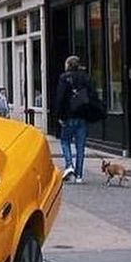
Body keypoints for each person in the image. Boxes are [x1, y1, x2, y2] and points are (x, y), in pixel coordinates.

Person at [53, 54, 94, 183]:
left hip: (69, 116)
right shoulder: (85, 77)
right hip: (82, 116)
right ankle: (79, 175)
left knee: (65, 141)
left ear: (68, 65)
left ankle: (69, 165)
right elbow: (91, 96)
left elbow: (60, 98)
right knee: (80, 146)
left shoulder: (64, 78)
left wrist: (59, 116)